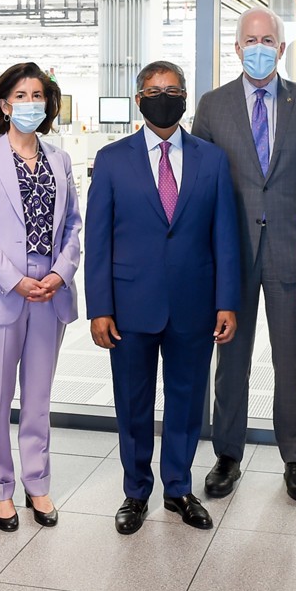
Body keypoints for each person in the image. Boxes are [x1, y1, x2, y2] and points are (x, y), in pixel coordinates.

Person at [85, 61, 241, 535]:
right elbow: (98, 239)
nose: (163, 97)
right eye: (154, 91)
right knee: (132, 404)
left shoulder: (212, 159)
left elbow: (225, 236)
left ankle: (178, 487)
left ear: (186, 98)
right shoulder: (112, 159)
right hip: (130, 305)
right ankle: (136, 491)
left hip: (194, 304)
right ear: (139, 100)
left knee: (186, 401)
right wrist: (99, 308)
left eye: (172, 90)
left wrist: (227, 301)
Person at [192, 6, 296, 502]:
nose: (259, 48)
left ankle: (295, 457)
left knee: (293, 360)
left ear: (282, 48)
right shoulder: (213, 105)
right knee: (231, 360)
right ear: (236, 48)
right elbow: (200, 184)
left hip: (291, 250)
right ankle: (227, 454)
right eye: (250, 40)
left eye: (267, 40)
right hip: (232, 252)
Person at [0, 63, 81, 532]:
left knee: (38, 397)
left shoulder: (60, 159)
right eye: (21, 95)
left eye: (38, 95)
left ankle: (37, 482)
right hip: (1, 291)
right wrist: (14, 280)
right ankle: (0, 489)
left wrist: (60, 273)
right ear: (4, 105)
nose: (30, 103)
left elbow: (73, 225)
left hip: (49, 292)